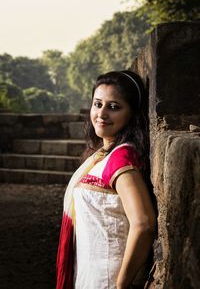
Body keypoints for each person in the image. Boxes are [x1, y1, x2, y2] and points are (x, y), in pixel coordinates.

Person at [56, 70, 156, 289]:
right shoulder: (102, 155)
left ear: (132, 114)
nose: (101, 114)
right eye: (97, 104)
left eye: (114, 107)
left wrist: (121, 284)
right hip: (89, 275)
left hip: (107, 278)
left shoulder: (121, 157)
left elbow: (144, 223)